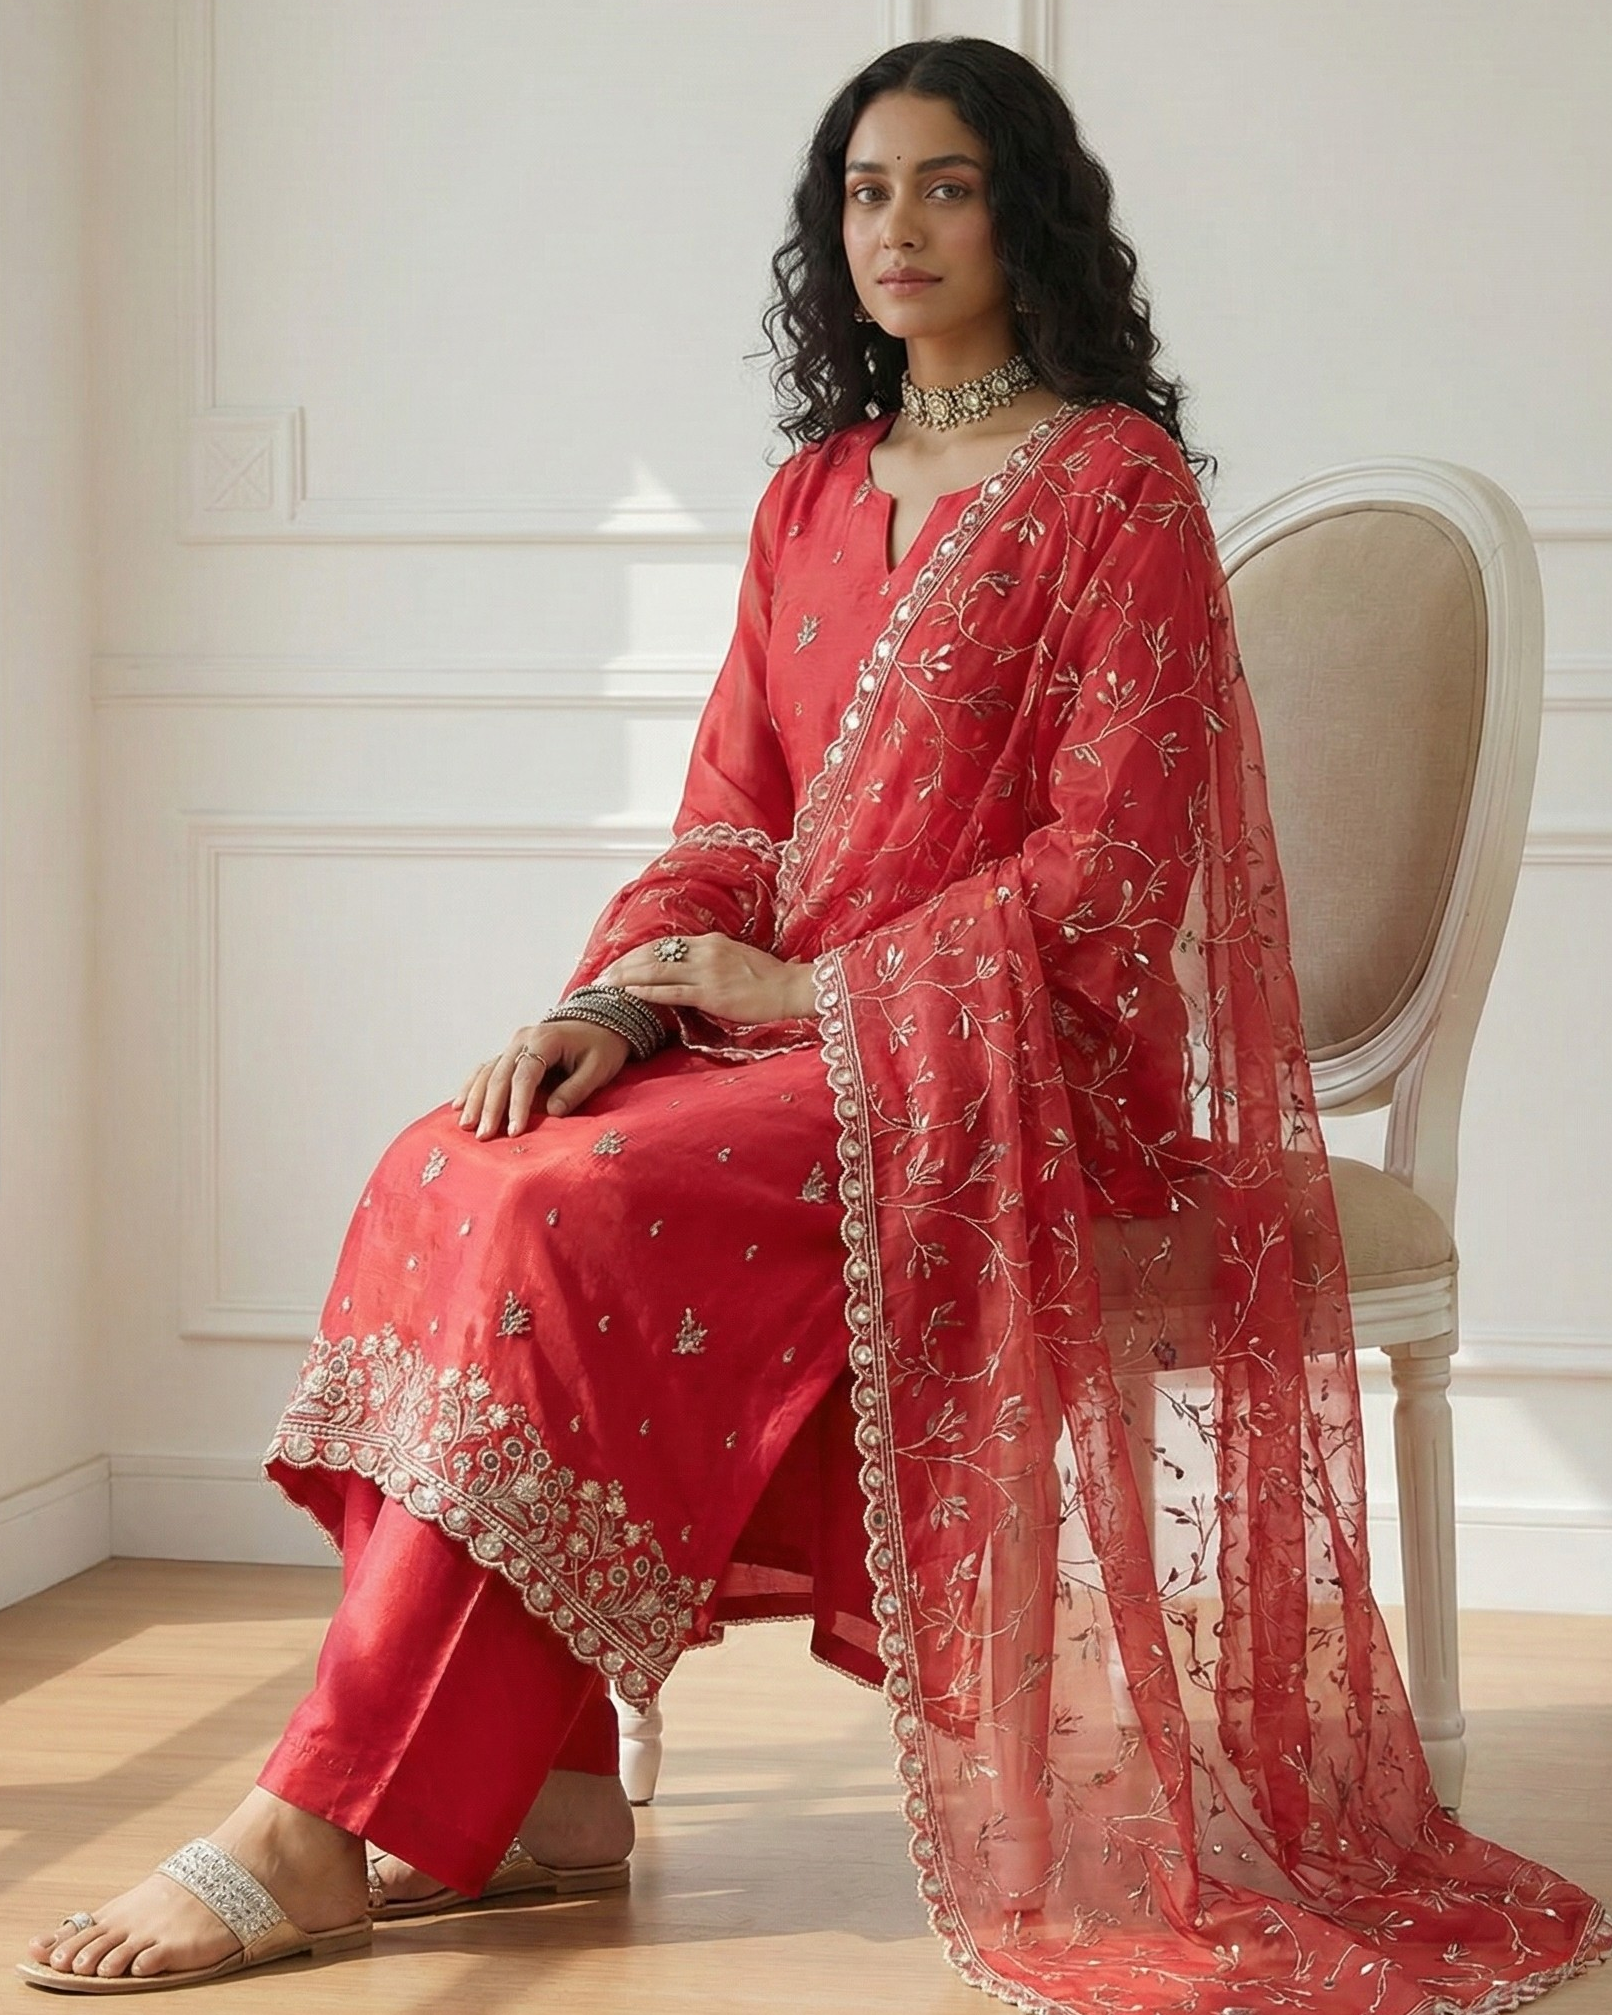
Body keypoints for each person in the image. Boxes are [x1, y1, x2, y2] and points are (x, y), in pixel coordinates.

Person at [20, 34, 1612, 2012]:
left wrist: (818, 992)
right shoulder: (810, 496)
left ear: (1025, 215)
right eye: (865, 191)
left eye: (945, 184)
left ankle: (315, 1819)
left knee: (570, 1211)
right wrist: (619, 1003)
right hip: (788, 1052)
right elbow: (728, 820)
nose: (897, 227)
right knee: (461, 1157)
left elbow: (1114, 875)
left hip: (1010, 1071)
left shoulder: (1113, 491)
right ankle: (551, 1790)